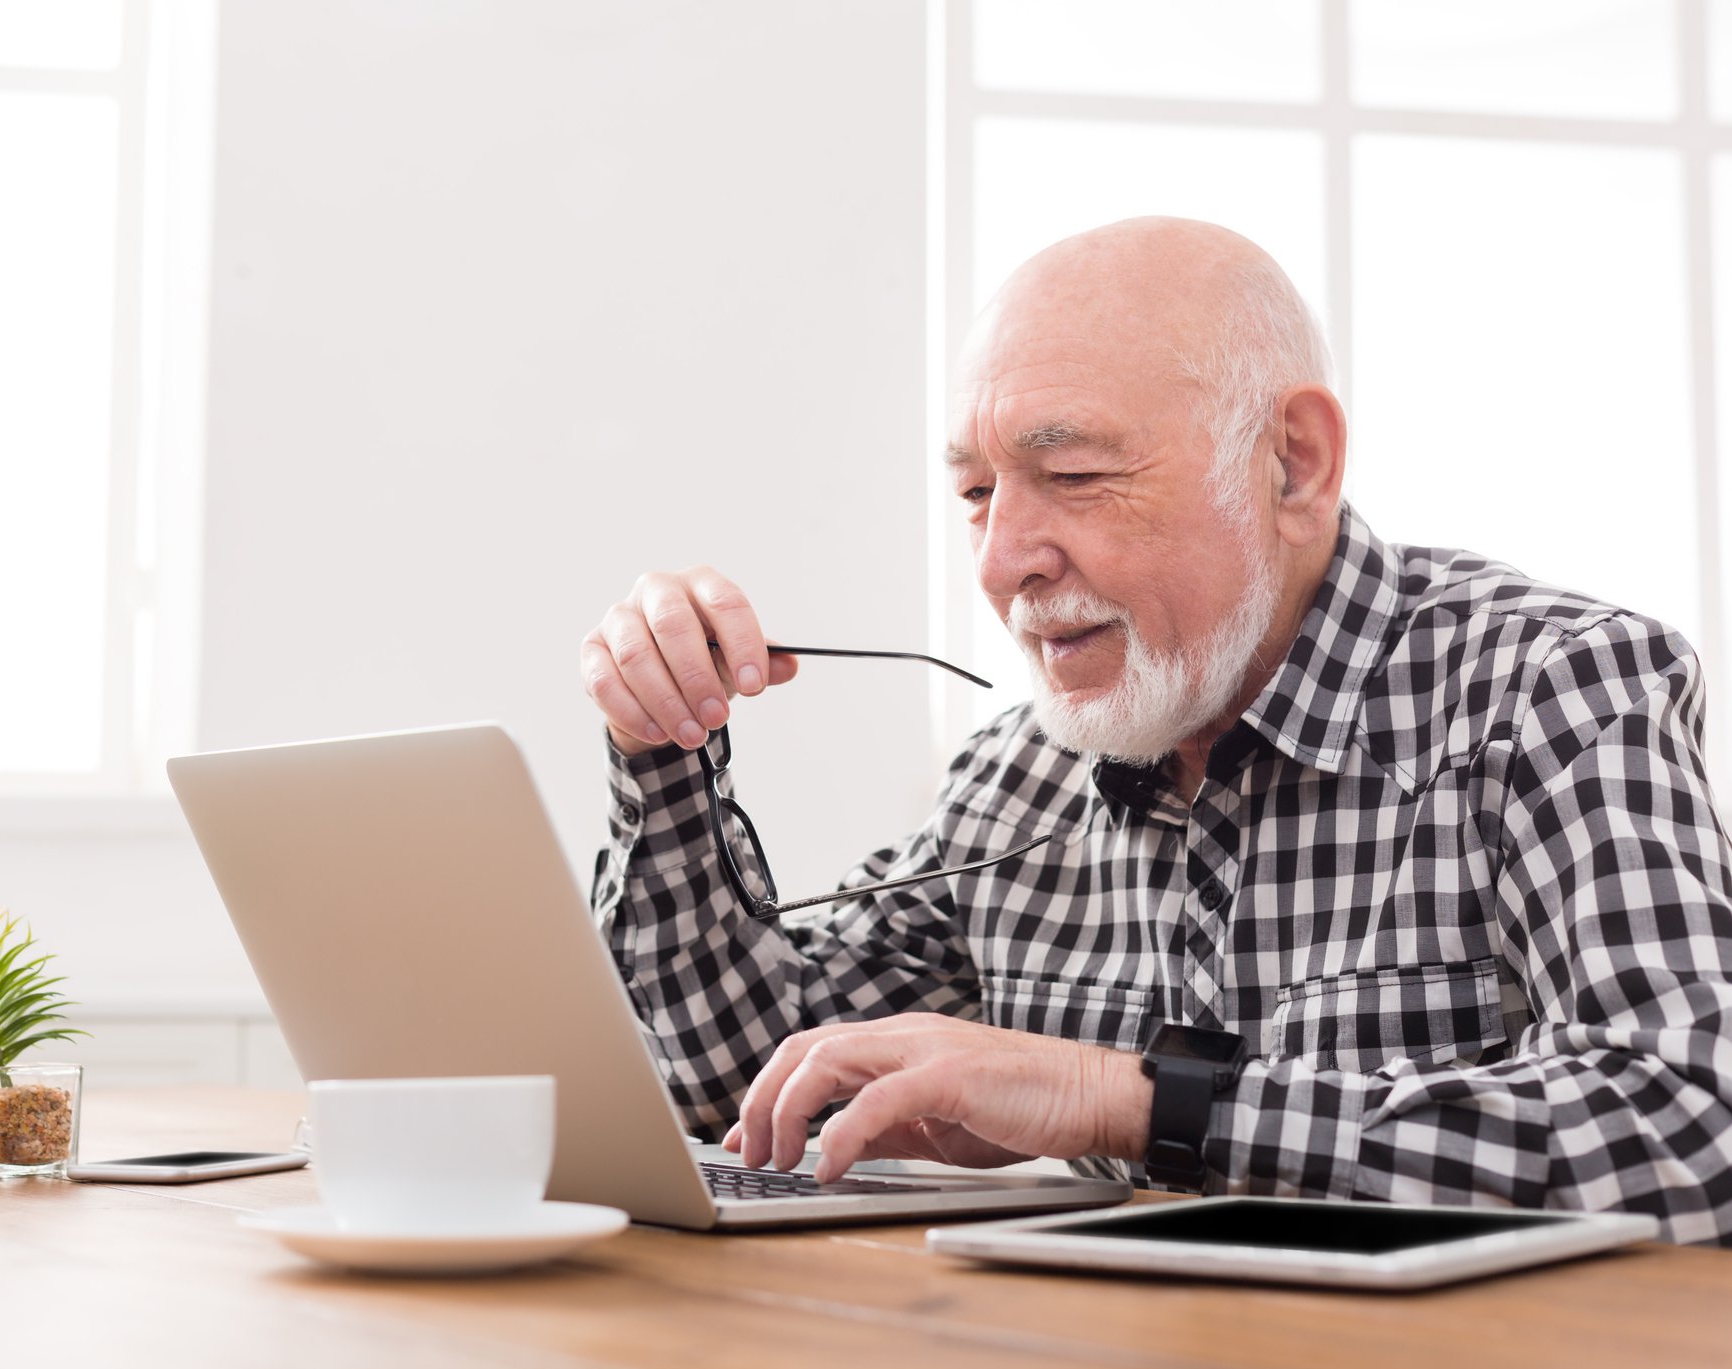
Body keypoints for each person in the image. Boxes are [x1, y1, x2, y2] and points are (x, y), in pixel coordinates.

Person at [578, 216, 1732, 1243]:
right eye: (977, 493)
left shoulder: (1552, 688)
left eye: (1071, 474)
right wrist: (664, 756)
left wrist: (1122, 1096)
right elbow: (750, 1084)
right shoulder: (1017, 773)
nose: (999, 562)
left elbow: (1691, 1128)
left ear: (1294, 463)